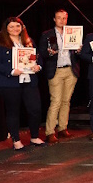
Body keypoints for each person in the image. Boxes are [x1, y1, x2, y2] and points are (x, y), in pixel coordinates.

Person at [0, 17, 46, 150]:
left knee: (35, 109)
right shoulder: (0, 43)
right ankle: (16, 140)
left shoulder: (28, 41)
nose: (15, 29)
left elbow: (38, 57)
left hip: (29, 80)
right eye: (11, 27)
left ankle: (34, 136)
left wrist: (38, 66)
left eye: (17, 26)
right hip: (9, 83)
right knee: (13, 111)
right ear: (6, 29)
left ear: (22, 27)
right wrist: (11, 71)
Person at [38, 9, 81, 145]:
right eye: (59, 18)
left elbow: (78, 53)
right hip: (56, 70)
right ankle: (50, 132)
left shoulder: (72, 33)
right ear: (54, 19)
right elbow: (42, 53)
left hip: (70, 70)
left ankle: (62, 128)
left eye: (64, 18)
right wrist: (49, 52)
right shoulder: (47, 35)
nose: (62, 20)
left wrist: (78, 51)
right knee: (56, 101)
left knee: (66, 101)